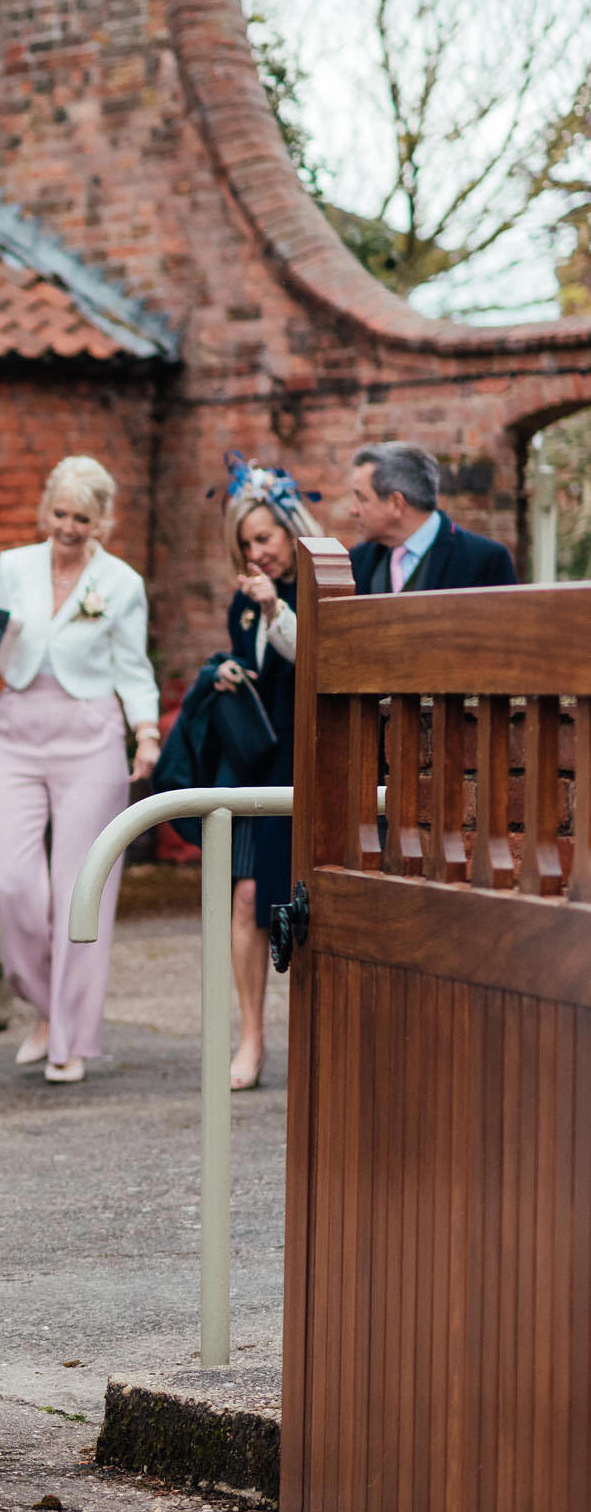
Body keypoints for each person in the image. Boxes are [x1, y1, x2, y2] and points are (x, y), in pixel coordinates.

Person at [0, 457, 159, 1085]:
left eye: (81, 519)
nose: (68, 528)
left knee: (81, 892)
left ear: (102, 521)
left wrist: (146, 734)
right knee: (7, 881)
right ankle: (45, 1007)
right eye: (59, 514)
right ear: (47, 510)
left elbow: (134, 669)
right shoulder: (13, 567)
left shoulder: (121, 583)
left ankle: (70, 1040)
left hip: (90, 741)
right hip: (14, 736)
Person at [211, 457, 321, 1091]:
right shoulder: (243, 600)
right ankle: (250, 1038)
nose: (256, 553)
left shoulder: (322, 582)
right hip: (255, 764)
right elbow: (259, 666)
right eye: (246, 544)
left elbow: (313, 657)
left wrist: (277, 608)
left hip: (306, 762)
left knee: (304, 900)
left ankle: (310, 1033)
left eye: (265, 539)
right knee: (248, 896)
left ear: (291, 531)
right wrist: (230, 669)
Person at [345, 439, 520, 594]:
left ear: (396, 503)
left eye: (362, 498)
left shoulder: (484, 561)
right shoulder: (356, 561)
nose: (353, 511)